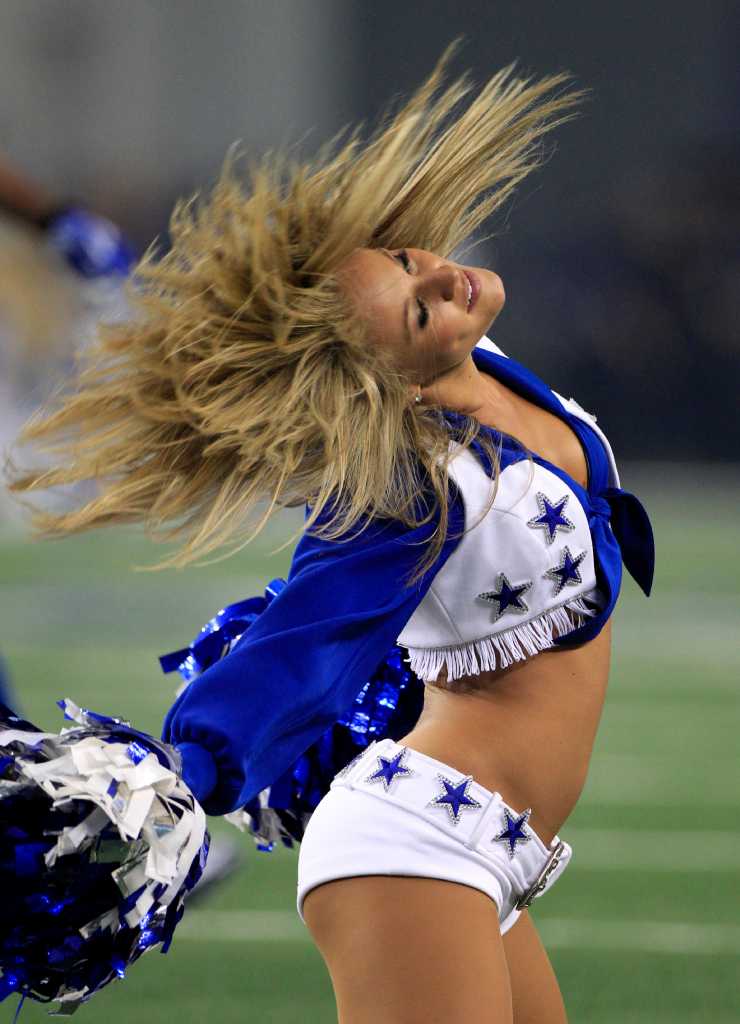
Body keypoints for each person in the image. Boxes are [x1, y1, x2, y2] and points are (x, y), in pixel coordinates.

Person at [7, 39, 655, 1023]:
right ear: (378, 380)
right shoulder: (414, 480)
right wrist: (195, 762)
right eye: (417, 306)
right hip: (415, 848)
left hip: (490, 847)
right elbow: (306, 637)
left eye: (408, 262)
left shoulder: (485, 364)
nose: (445, 278)